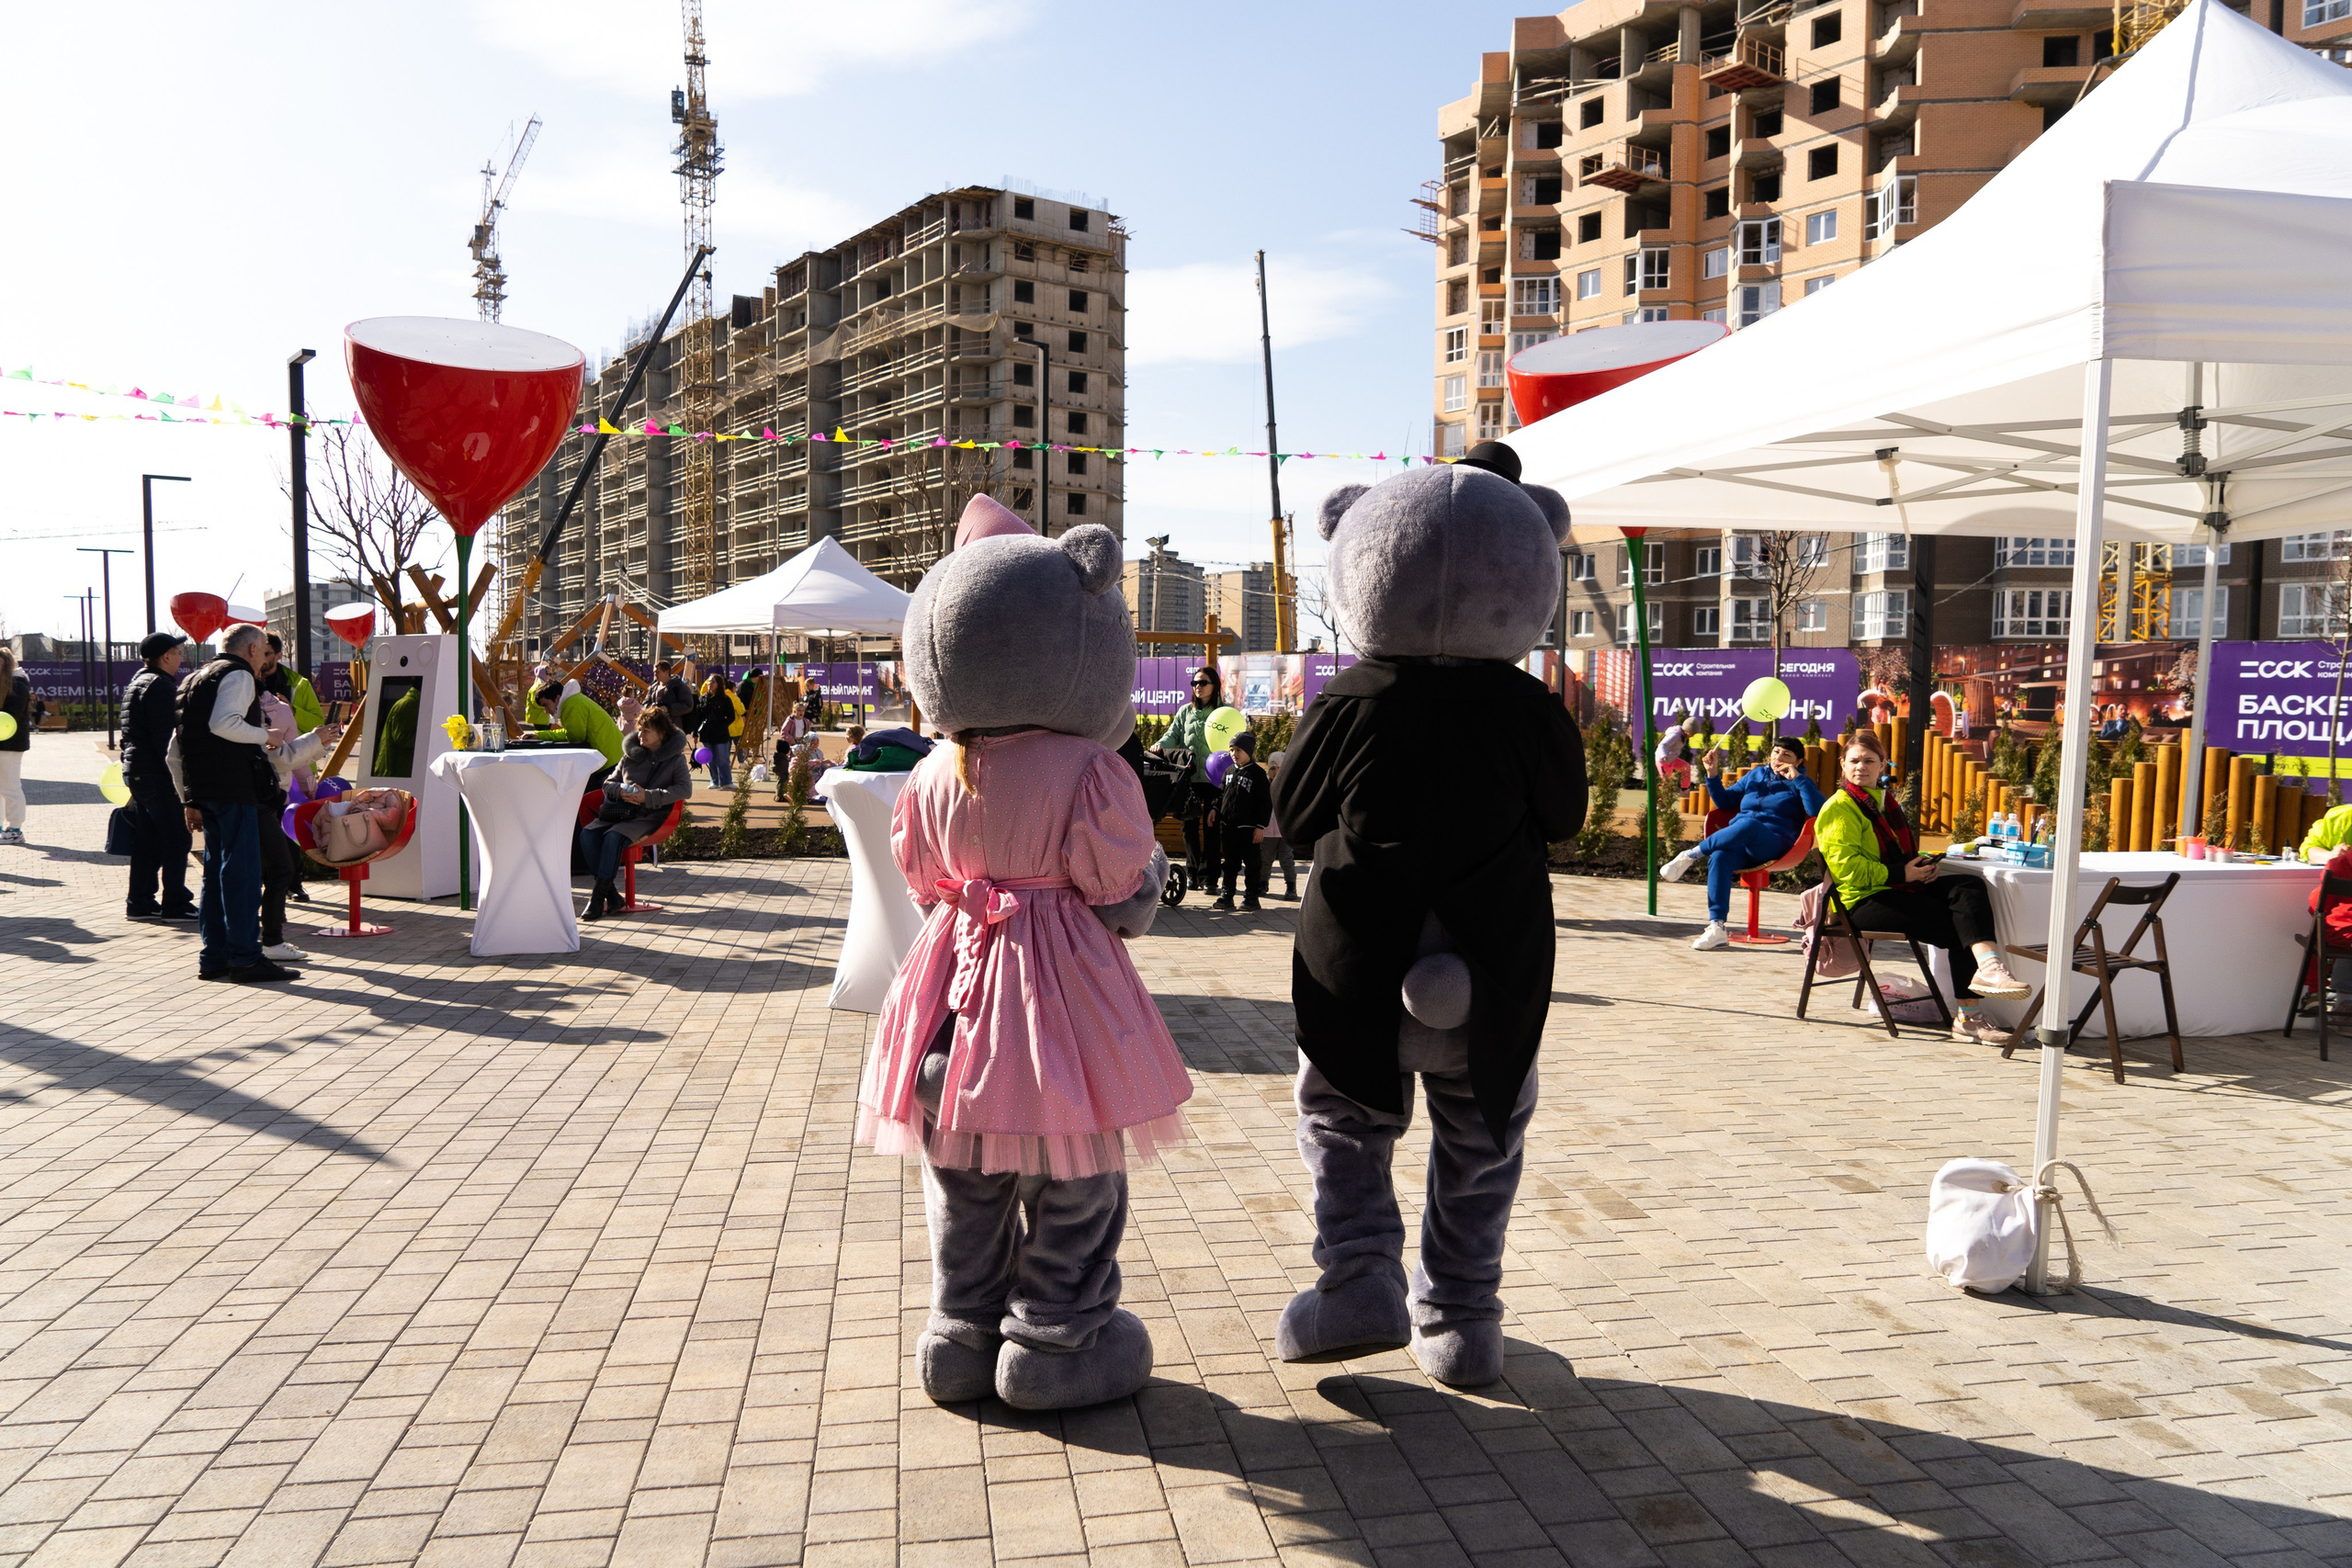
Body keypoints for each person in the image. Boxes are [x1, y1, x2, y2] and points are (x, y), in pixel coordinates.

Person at [1815, 728, 2030, 1044]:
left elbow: (1899, 853)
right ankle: (1969, 1018)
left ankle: (1989, 965)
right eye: (1854, 761)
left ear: (1882, 765)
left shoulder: (1885, 801)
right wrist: (1904, 874)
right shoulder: (1839, 807)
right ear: (1843, 766)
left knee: (1968, 887)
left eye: (1869, 761)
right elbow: (1848, 871)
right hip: (1861, 902)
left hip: (1894, 887)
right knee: (1960, 923)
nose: (1861, 767)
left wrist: (1922, 867)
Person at [167, 624, 299, 983]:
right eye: (264, 651)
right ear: (254, 649)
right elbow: (224, 723)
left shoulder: (194, 679)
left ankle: (215, 957)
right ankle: (245, 957)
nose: (265, 660)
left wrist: (188, 798)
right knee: (240, 876)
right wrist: (265, 735)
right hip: (234, 788)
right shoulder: (238, 675)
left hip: (207, 791)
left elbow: (174, 752)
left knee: (216, 876)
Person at [1662, 735, 1826, 951]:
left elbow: (1816, 811)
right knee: (1720, 856)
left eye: (1787, 754)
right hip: (1743, 841)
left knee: (1749, 825)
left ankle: (1690, 855)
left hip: (1776, 844)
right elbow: (1725, 802)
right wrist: (1712, 774)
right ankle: (1716, 928)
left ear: (1798, 762)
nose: (1779, 757)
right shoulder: (1756, 774)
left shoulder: (1801, 782)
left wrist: (1798, 780)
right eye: (1776, 752)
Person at [577, 708, 690, 919]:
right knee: (587, 835)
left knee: (613, 837)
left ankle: (598, 897)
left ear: (662, 734)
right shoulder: (630, 756)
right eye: (640, 730)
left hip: (650, 817)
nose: (641, 735)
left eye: (647, 730)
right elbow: (608, 783)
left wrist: (647, 796)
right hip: (620, 812)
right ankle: (611, 895)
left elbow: (684, 790)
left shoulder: (675, 760)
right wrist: (620, 791)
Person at [254, 682, 338, 962]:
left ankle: (233, 941)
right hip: (259, 798)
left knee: (243, 868)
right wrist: (315, 741)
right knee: (279, 868)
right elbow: (281, 757)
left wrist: (189, 800)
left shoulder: (207, 698)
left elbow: (176, 753)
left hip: (236, 799)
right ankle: (271, 940)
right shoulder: (255, 712)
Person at [121, 633, 198, 918]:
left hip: (138, 771)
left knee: (148, 839)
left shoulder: (137, 683)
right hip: (157, 773)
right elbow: (166, 741)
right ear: (166, 656)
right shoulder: (161, 687)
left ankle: (139, 901)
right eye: (178, 651)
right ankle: (175, 902)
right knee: (178, 838)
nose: (181, 656)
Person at [1148, 666, 1227, 890]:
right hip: (1189, 777)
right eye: (1194, 683)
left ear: (1215, 686)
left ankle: (1210, 878)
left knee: (1212, 828)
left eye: (1203, 682)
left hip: (1215, 779)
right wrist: (1159, 747)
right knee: (1188, 828)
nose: (1198, 687)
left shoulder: (1224, 712)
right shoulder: (1185, 711)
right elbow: (1172, 736)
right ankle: (1192, 873)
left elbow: (1235, 739)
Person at [532, 680, 627, 794]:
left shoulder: (571, 705)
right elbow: (572, 733)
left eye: (546, 705)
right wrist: (540, 735)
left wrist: (540, 735)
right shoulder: (574, 700)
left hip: (608, 763)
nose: (546, 711)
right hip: (612, 757)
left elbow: (575, 738)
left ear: (557, 698)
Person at [1214, 729, 1272, 911]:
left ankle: (1251, 897)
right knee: (1230, 863)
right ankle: (1227, 895)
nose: (1234, 754)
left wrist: (1260, 826)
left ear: (1249, 751)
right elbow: (1221, 794)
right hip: (1229, 827)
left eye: (1238, 750)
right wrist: (1215, 809)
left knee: (1252, 864)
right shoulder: (1229, 771)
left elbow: (1265, 802)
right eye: (1231, 750)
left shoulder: (1257, 774)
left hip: (1249, 829)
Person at [0, 648, 28, 846]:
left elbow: (12, 716)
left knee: (10, 786)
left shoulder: (18, 683)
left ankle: (16, 829)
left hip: (10, 745)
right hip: (6, 743)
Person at [1261, 747, 1298, 900]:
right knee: (1265, 860)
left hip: (1285, 832)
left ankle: (1291, 886)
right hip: (1267, 831)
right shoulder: (1264, 787)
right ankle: (1262, 883)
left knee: (1287, 860)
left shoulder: (1290, 787)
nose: (1276, 772)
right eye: (1273, 768)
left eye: (1280, 769)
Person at [696, 671, 742, 789]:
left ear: (719, 684)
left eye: (713, 682)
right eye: (709, 682)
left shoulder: (725, 699)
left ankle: (726, 781)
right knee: (711, 758)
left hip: (721, 733)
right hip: (707, 733)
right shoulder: (703, 699)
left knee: (723, 758)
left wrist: (722, 725)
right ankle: (715, 781)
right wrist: (696, 732)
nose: (710, 684)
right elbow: (698, 716)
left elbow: (731, 716)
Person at [653, 660, 697, 729]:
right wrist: (651, 708)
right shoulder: (653, 687)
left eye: (657, 672)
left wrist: (668, 709)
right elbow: (645, 703)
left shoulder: (678, 686)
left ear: (666, 672)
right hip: (656, 728)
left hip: (673, 728)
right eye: (654, 672)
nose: (655, 675)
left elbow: (688, 705)